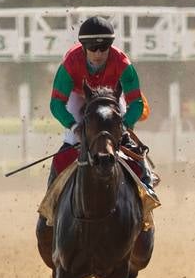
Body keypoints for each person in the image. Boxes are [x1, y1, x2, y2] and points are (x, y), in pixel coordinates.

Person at [47, 15, 154, 191]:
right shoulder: (70, 63)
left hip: (110, 95)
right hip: (78, 94)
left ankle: (147, 187)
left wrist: (124, 126)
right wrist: (75, 127)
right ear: (83, 47)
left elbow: (136, 103)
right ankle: (48, 206)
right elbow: (56, 104)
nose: (98, 53)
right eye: (92, 48)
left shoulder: (123, 63)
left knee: (123, 137)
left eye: (104, 48)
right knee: (73, 139)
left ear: (110, 46)